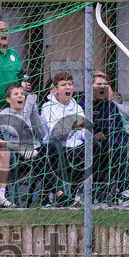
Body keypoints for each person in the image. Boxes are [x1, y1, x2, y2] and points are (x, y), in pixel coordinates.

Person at [83, 71, 129, 208]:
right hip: (97, 146)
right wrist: (92, 134)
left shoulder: (110, 105)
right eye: (98, 84)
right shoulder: (84, 104)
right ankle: (124, 193)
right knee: (120, 146)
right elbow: (80, 126)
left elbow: (119, 126)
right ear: (89, 87)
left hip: (115, 139)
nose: (102, 87)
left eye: (104, 84)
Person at [0, 84, 51, 206]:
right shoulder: (5, 113)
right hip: (17, 152)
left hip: (35, 149)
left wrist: (34, 111)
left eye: (22, 94)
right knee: (41, 158)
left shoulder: (28, 109)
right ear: (8, 99)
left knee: (52, 150)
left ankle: (51, 196)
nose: (20, 96)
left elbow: (42, 134)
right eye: (16, 94)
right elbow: (16, 130)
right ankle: (54, 195)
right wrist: (29, 107)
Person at [40, 72, 85, 205]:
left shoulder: (77, 107)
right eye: (64, 85)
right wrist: (72, 126)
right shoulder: (47, 107)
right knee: (58, 150)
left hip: (75, 145)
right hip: (54, 147)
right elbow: (56, 132)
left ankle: (76, 191)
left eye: (70, 84)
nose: (68, 88)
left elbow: (83, 131)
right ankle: (62, 194)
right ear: (56, 89)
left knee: (95, 147)